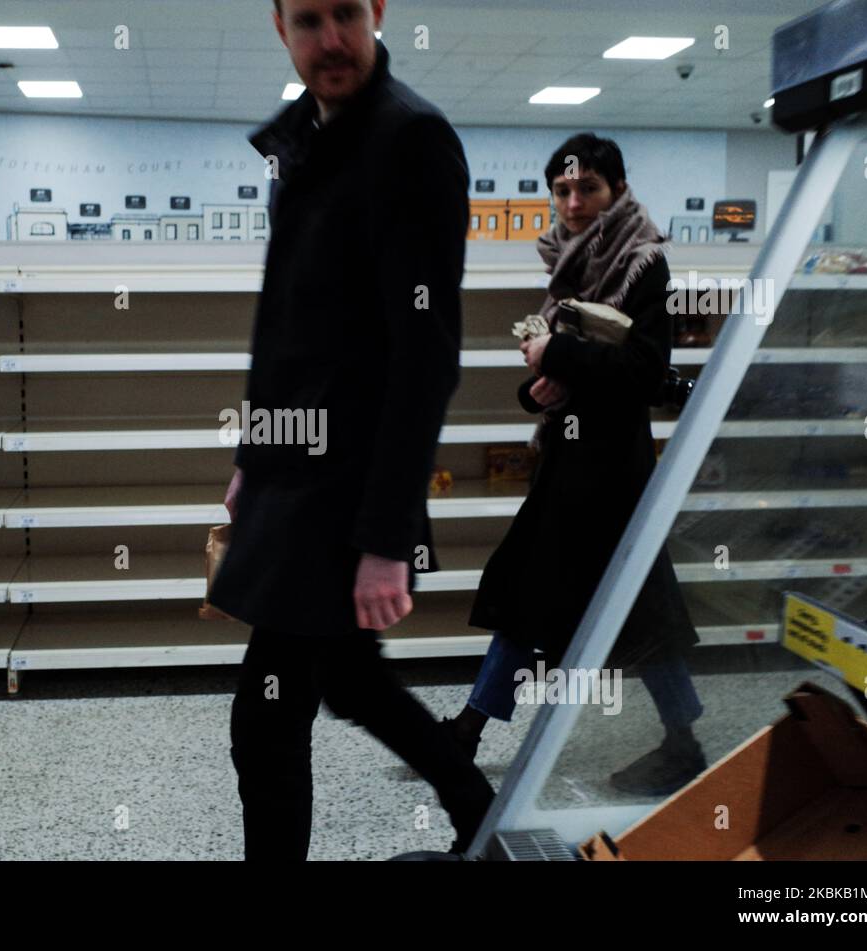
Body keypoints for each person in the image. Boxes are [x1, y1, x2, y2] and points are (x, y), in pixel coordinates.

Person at [208, 0, 493, 859]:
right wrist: (253, 457)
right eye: (306, 20)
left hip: (349, 491)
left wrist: (384, 540)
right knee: (350, 682)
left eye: (344, 14)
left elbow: (425, 354)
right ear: (279, 26)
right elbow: (289, 327)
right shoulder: (308, 136)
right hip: (294, 475)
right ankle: (478, 809)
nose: (328, 39)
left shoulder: (411, 140)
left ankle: (476, 808)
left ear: (376, 12)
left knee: (267, 714)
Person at [443, 133, 707, 797]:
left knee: (613, 600)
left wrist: (554, 361)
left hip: (610, 468)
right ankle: (681, 741)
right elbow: (555, 369)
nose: (573, 201)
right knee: (609, 600)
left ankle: (471, 729)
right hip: (571, 460)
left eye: (587, 188)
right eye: (562, 189)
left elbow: (645, 371)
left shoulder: (644, 263)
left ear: (616, 189)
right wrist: (536, 388)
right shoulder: (569, 261)